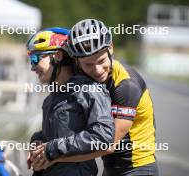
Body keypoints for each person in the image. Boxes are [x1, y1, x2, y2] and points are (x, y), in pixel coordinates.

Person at [32, 19, 158, 176]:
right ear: (77, 61)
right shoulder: (84, 79)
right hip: (110, 167)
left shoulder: (126, 85)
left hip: (137, 167)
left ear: (110, 48)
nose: (97, 70)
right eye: (88, 65)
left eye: (101, 61)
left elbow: (107, 145)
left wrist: (54, 157)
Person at [26, 27, 115, 176]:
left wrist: (52, 148)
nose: (32, 67)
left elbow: (103, 135)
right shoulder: (52, 98)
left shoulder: (88, 89)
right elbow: (61, 133)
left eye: (36, 59)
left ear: (58, 56)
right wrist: (38, 141)